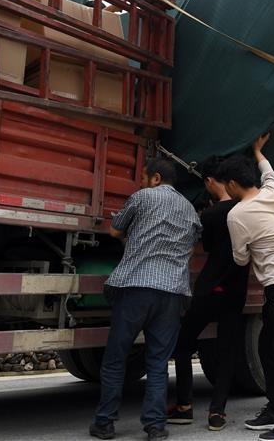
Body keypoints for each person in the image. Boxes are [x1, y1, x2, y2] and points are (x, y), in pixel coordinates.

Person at [90, 158, 201, 441]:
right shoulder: (190, 210)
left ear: (155, 178)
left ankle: (105, 423)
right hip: (173, 292)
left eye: (143, 177)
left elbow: (116, 230)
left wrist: (135, 241)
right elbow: (189, 247)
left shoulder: (142, 198)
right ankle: (155, 426)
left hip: (136, 287)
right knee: (157, 362)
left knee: (116, 358)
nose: (141, 182)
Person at [220, 135, 274, 441]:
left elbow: (241, 258)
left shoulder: (237, 215)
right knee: (266, 346)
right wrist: (259, 152)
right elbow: (268, 172)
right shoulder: (271, 192)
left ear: (231, 185)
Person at [167, 157, 249, 432]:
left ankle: (184, 406)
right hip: (236, 290)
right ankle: (217, 413)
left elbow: (211, 247)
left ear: (210, 182)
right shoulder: (245, 210)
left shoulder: (212, 215)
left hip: (210, 287)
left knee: (183, 342)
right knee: (227, 351)